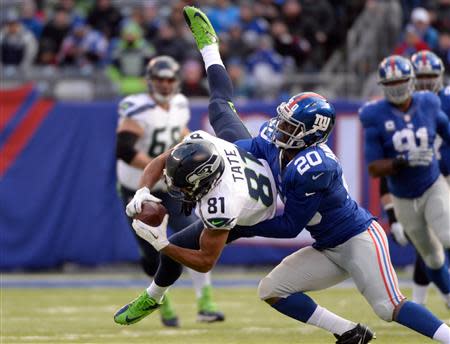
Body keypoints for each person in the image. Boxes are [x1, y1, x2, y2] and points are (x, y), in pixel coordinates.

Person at [114, 7, 450, 343]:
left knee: (387, 307)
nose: (281, 127)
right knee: (272, 289)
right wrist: (217, 151)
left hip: (357, 238)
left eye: (291, 125)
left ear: (310, 134)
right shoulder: (277, 141)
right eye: (285, 120)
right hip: (324, 243)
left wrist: (237, 226)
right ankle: (349, 333)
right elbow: (250, 146)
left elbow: (289, 226)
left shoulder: (315, 167)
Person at [115, 55, 224, 326]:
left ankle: (205, 303)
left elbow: (179, 134)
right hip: (138, 188)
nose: (165, 84)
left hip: (173, 187)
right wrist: (160, 169)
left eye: (169, 79)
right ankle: (161, 303)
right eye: (160, 79)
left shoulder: (180, 104)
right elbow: (125, 150)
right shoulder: (136, 108)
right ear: (149, 81)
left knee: (196, 238)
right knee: (152, 252)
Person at [359, 54, 450, 314]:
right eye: (391, 84)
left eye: (401, 82)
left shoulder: (430, 103)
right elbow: (374, 168)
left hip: (433, 183)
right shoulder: (374, 114)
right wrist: (402, 161)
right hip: (403, 196)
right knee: (431, 256)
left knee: (447, 235)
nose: (397, 88)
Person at [385, 50, 450, 306]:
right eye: (419, 77)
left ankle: (428, 299)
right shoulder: (394, 109)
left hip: (443, 177)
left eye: (429, 77)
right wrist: (391, 215)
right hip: (419, 181)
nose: (424, 83)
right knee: (428, 244)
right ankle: (424, 301)